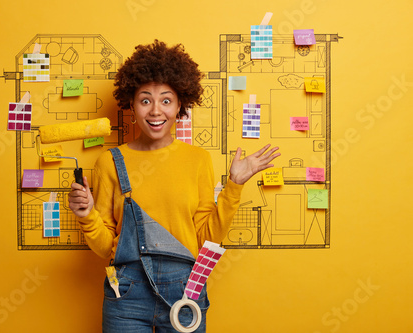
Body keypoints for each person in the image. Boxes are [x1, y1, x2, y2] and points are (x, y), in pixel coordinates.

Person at [68, 40, 280, 332]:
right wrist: (87, 215)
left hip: (184, 291)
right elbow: (107, 247)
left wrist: (234, 186)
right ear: (131, 103)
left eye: (166, 100)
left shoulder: (197, 160)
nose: (156, 111)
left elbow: (207, 237)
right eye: (145, 100)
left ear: (181, 105)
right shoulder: (109, 162)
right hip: (126, 296)